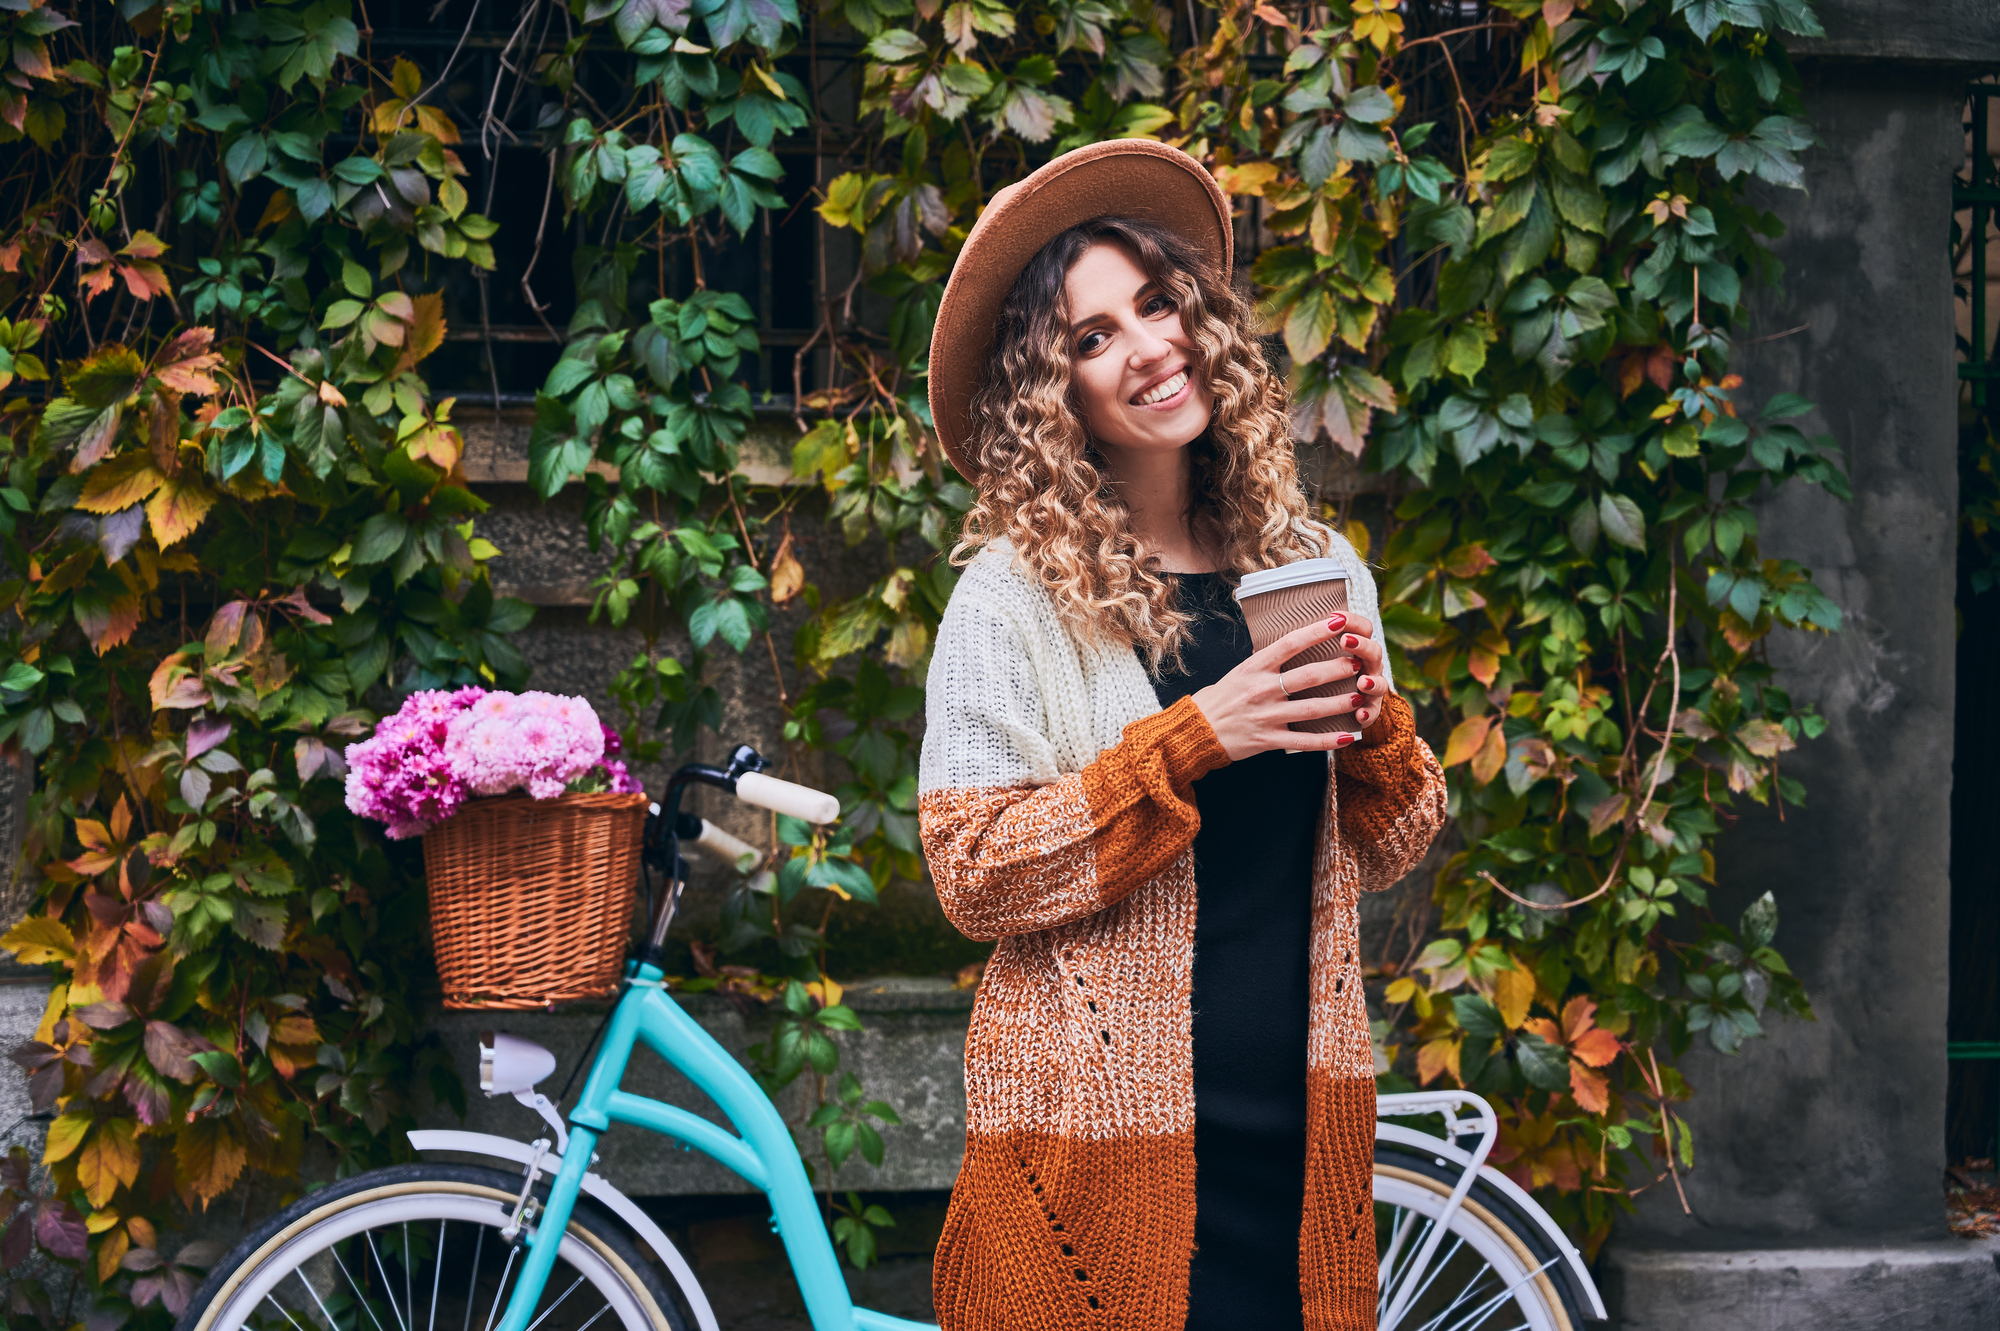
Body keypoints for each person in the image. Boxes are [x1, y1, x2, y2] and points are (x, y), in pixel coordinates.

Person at [916, 140, 1448, 1331]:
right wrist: (1192, 735)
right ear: (1054, 396)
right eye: (1091, 337)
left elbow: (1396, 837)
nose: (1146, 346)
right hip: (1099, 1142)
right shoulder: (1014, 596)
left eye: (1155, 303)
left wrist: (1373, 732)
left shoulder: (1312, 564)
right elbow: (973, 874)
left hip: (1299, 1123)